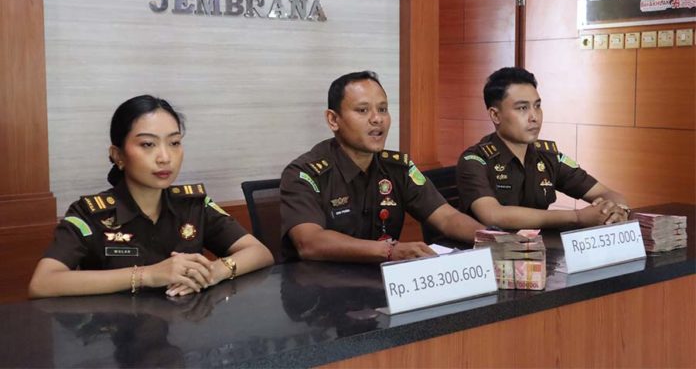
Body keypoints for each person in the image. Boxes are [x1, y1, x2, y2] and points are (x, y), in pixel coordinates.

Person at [29, 95, 273, 298]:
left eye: (174, 143)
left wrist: (214, 272)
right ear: (118, 155)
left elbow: (259, 253)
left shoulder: (192, 205)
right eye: (148, 144)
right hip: (115, 332)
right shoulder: (90, 214)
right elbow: (42, 283)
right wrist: (148, 275)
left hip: (184, 329)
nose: (165, 157)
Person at [280, 71, 485, 263]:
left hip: (382, 280)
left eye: (382, 109)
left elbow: (447, 217)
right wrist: (388, 250)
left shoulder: (398, 167)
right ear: (333, 120)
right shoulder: (305, 173)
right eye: (363, 110)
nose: (377, 119)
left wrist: (492, 237)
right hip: (321, 284)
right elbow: (309, 242)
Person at [457, 67, 630, 230]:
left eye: (537, 106)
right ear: (495, 115)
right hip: (491, 249)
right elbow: (493, 215)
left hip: (539, 248)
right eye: (522, 108)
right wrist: (577, 217)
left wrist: (615, 210)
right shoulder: (475, 160)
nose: (534, 117)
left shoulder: (548, 157)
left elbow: (606, 193)